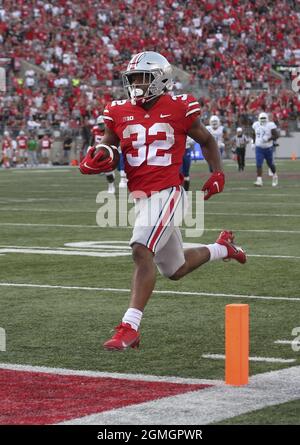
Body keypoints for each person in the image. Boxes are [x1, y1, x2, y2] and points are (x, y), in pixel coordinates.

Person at [79, 51, 246, 351]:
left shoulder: (179, 107)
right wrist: (97, 157)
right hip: (142, 196)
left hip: (169, 192)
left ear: (161, 78)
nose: (137, 84)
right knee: (174, 269)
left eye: (143, 78)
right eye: (133, 79)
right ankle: (223, 248)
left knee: (141, 249)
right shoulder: (117, 111)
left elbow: (206, 140)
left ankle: (129, 327)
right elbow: (108, 145)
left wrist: (217, 172)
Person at [252, 112, 279, 187]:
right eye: (262, 119)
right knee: (258, 163)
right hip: (259, 148)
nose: (263, 120)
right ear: (259, 119)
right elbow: (253, 134)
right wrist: (253, 142)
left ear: (267, 119)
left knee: (270, 164)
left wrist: (268, 139)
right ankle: (259, 180)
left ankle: (275, 175)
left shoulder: (270, 125)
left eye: (264, 119)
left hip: (268, 148)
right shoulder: (256, 125)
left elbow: (276, 135)